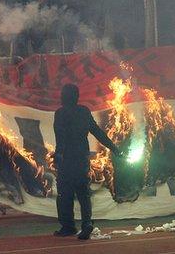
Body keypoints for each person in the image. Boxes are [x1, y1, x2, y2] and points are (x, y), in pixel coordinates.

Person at [53, 83, 121, 240]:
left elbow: (60, 137)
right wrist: (115, 148)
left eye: (63, 94)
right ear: (77, 97)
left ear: (65, 97)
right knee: (83, 193)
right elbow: (98, 133)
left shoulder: (61, 113)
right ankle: (86, 223)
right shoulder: (84, 111)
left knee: (65, 194)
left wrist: (58, 156)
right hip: (82, 158)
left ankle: (68, 227)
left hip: (67, 159)